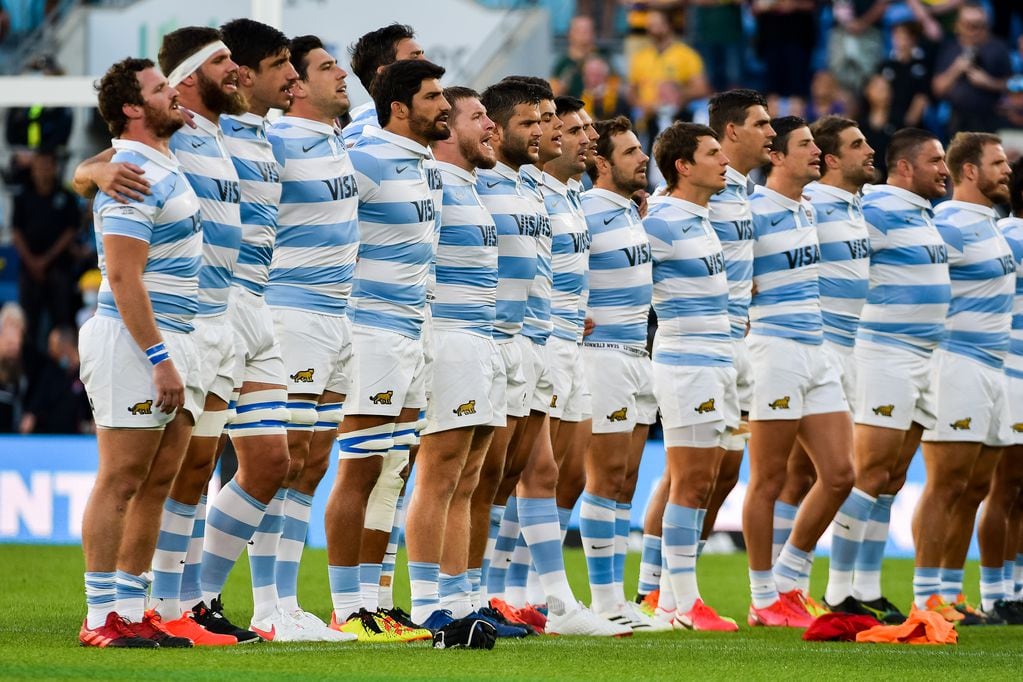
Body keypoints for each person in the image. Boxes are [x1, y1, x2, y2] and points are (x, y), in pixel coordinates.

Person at [78, 56, 202, 648]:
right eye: (160, 89)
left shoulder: (164, 160)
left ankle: (132, 607)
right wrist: (159, 358)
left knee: (158, 481)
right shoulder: (130, 172)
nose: (173, 93)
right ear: (132, 108)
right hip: (134, 342)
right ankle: (100, 617)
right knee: (122, 477)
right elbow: (124, 278)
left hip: (180, 334)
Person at [324, 59, 447, 642]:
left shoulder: (423, 165)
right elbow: (301, 204)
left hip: (411, 332)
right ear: (400, 106)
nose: (443, 106)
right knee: (361, 468)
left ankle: (373, 602)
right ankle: (346, 609)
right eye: (433, 97)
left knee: (390, 474)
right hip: (369, 331)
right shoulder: (363, 156)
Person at [403, 85, 526, 636]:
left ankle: (461, 599)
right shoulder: (433, 180)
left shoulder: (471, 186)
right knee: (440, 473)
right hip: (449, 337)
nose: (491, 127)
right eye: (480, 118)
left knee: (470, 477)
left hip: (483, 340)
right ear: (447, 127)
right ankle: (430, 603)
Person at [254, 33, 359, 643]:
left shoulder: (335, 138)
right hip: (290, 314)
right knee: (281, 459)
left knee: (312, 465)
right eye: (324, 68)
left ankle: (286, 603)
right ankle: (264, 606)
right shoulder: (276, 139)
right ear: (295, 85)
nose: (339, 75)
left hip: (336, 319)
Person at [828, 128, 952, 625]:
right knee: (869, 473)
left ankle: (868, 586)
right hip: (884, 354)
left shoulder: (925, 213)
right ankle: (838, 590)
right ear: (906, 167)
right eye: (936, 160)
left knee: (893, 480)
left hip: (924, 358)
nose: (944, 169)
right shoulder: (874, 209)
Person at [743, 116, 853, 628]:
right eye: (805, 145)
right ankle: (763, 597)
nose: (816, 152)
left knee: (840, 474)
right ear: (777, 156)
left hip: (818, 350)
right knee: (768, 477)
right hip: (776, 349)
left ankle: (789, 576)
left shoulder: (807, 207)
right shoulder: (753, 209)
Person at [643, 121, 739, 631]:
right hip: (685, 364)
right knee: (690, 483)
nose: (724, 161)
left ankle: (667, 604)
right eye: (712, 153)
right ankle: (682, 603)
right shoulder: (658, 220)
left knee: (707, 482)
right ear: (683, 166)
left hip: (718, 363)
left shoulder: (702, 218)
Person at [915, 132, 1015, 624]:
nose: (1006, 171)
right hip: (955, 364)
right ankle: (924, 594)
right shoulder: (947, 225)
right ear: (970, 171)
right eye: (997, 163)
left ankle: (951, 593)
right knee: (945, 484)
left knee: (974, 486)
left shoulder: (992, 226)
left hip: (995, 368)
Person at [579, 115, 659, 630]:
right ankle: (603, 598)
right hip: (601, 354)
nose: (643, 158)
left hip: (638, 354)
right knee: (604, 477)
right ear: (602, 163)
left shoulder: (633, 213)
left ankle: (617, 596)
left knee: (625, 481)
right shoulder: (587, 212)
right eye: (631, 152)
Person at [982, 157, 1023, 623]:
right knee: (1006, 486)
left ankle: (1016, 588)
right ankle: (994, 594)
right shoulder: (1008, 235)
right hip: (1010, 371)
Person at [11, 148, 81, 355]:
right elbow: (15, 233)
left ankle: (64, 365)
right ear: (32, 169)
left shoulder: (66, 197)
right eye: (39, 165)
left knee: (61, 320)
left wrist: (46, 260)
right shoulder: (23, 196)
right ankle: (29, 367)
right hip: (29, 271)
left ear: (55, 168)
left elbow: (70, 231)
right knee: (28, 323)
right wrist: (33, 262)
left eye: (48, 165)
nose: (43, 170)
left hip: (59, 269)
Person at [627, 8, 709, 144]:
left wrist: (679, 95)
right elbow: (631, 90)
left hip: (676, 118)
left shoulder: (686, 55)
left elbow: (701, 88)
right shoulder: (640, 57)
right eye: (650, 25)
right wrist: (642, 105)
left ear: (669, 25)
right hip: (647, 118)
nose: (652, 29)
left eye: (657, 24)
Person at [932, 2, 1013, 133]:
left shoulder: (998, 48)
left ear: (986, 26)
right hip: (957, 119)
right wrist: (956, 69)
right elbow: (937, 89)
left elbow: (1013, 86)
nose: (973, 31)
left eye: (978, 25)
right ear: (958, 25)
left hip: (991, 119)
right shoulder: (949, 49)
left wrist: (989, 83)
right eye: (968, 25)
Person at [342, 23, 424, 146]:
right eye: (415, 58)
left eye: (423, 54)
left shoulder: (433, 124)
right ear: (386, 73)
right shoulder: (358, 139)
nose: (428, 63)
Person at [19, 325, 90, 433]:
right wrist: (30, 416)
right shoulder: (52, 371)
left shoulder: (86, 371)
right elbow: (38, 398)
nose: (50, 350)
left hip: (78, 437)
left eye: (53, 346)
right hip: (50, 435)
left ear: (66, 347)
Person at [877, 21, 932, 129]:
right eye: (896, 35)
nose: (899, 39)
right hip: (888, 118)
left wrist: (909, 124)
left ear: (913, 38)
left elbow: (922, 96)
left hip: (912, 122)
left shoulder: (923, 64)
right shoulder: (886, 65)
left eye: (904, 35)